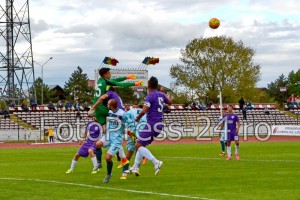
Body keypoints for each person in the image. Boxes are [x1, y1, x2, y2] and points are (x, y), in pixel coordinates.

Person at [90, 68, 142, 167]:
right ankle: (132, 136)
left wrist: (127, 77)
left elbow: (116, 81)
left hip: (98, 112)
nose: (110, 74)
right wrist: (135, 84)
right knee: (121, 124)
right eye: (109, 73)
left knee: (109, 133)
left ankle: (104, 161)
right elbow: (120, 84)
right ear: (105, 74)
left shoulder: (100, 82)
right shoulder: (109, 88)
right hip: (104, 109)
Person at [126, 76, 172, 176]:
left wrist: (138, 118)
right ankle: (135, 167)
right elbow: (170, 102)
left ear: (149, 85)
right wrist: (163, 93)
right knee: (140, 144)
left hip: (152, 123)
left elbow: (145, 110)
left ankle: (156, 162)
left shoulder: (150, 96)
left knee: (138, 145)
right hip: (159, 124)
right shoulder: (161, 94)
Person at [97, 99, 130, 183]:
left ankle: (108, 174)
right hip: (108, 135)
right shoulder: (110, 111)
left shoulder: (123, 114)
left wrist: (126, 134)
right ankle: (99, 163)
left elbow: (128, 123)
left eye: (108, 104)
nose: (107, 105)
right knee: (97, 144)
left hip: (116, 139)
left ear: (111, 106)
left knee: (107, 158)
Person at [120, 103, 147, 179]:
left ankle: (124, 173)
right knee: (139, 151)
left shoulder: (130, 111)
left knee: (129, 153)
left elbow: (123, 118)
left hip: (132, 132)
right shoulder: (144, 112)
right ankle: (136, 169)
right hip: (141, 133)